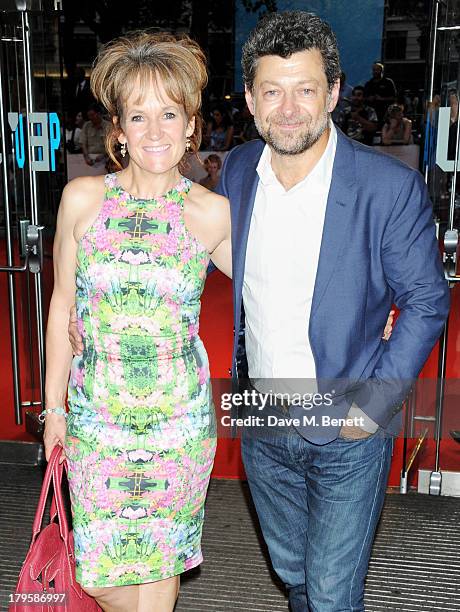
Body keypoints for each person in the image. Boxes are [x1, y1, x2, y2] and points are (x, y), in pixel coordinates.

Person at [216, 11, 447, 612]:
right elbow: (209, 258)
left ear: (334, 93)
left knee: (332, 592)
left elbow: (426, 300)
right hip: (263, 413)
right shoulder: (238, 170)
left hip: (346, 420)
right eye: (272, 90)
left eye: (306, 89)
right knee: (294, 575)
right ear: (250, 97)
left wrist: (372, 408)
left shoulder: (386, 187)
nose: (288, 107)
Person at [44, 31, 231, 612]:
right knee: (98, 574)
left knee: (159, 564)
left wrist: (371, 311)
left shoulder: (211, 212)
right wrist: (54, 413)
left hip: (177, 421)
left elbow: (276, 291)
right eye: (139, 116)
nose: (156, 132)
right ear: (118, 130)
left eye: (169, 114)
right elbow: (60, 312)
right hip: (97, 415)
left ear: (191, 124)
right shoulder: (82, 199)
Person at [80, 103, 111, 167]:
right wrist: (86, 157)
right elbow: (83, 144)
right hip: (90, 159)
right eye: (89, 116)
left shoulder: (108, 126)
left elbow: (112, 146)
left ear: (99, 114)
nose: (90, 118)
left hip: (105, 159)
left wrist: (104, 155)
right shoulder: (86, 126)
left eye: (92, 115)